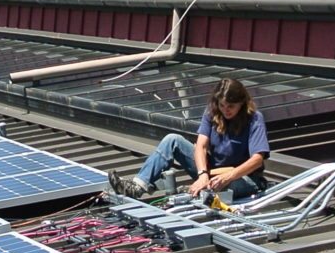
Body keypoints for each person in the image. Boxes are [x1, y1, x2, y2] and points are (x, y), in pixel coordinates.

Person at [114, 78, 271, 201]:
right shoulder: (212, 112)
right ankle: (138, 186)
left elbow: (257, 159)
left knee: (229, 186)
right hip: (210, 172)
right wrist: (203, 174)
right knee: (172, 139)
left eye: (231, 106)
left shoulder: (254, 119)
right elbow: (201, 146)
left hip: (241, 176)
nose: (225, 110)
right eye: (222, 105)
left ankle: (195, 190)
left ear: (241, 103)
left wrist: (227, 176)